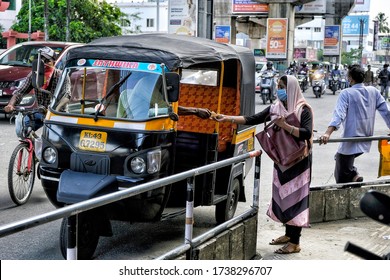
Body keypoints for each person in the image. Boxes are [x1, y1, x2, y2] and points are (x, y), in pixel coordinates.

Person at [213, 75, 314, 254]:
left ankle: (295, 242)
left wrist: (284, 126)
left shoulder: (303, 110)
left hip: (298, 162)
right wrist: (226, 118)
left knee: (295, 199)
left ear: (291, 88)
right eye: (278, 86)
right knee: (282, 197)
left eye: (282, 86)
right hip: (281, 159)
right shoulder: (276, 107)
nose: (279, 90)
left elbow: (306, 133)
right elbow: (253, 118)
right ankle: (288, 234)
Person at [319, 64, 390, 184]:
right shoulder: (373, 91)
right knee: (339, 158)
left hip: (351, 139)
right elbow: (386, 112)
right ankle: (354, 174)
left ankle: (352, 177)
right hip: (366, 137)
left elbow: (338, 115)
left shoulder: (346, 93)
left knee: (341, 175)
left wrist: (327, 133)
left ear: (351, 78)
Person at [4, 47, 64, 133]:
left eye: (47, 61)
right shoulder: (34, 75)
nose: (44, 64)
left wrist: (54, 111)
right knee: (24, 127)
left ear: (54, 63)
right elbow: (20, 91)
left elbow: (66, 96)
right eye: (41, 61)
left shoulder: (61, 76)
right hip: (40, 113)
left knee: (53, 139)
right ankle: (29, 145)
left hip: (57, 114)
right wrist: (11, 105)